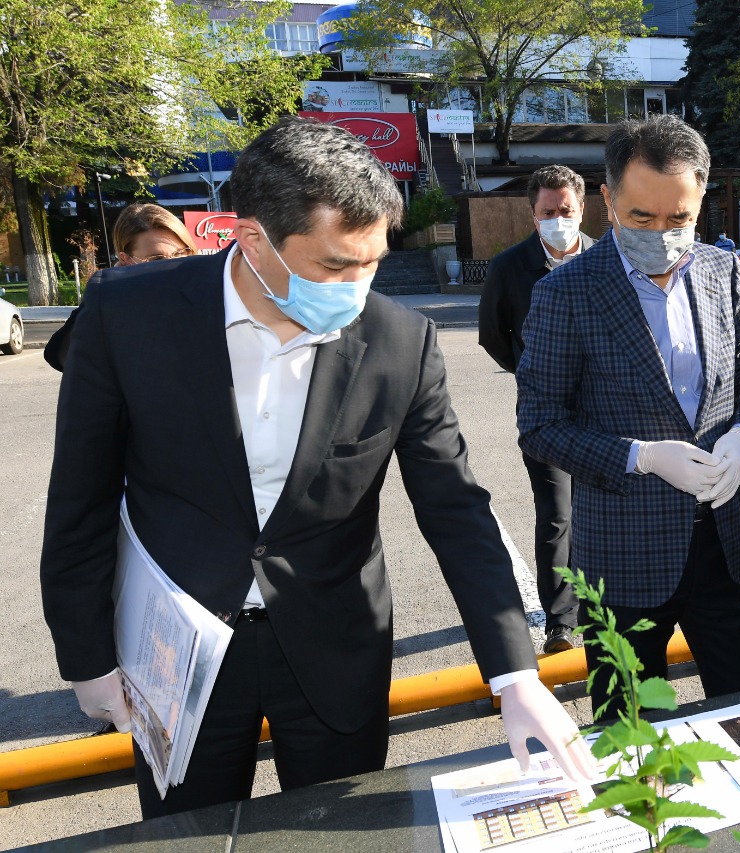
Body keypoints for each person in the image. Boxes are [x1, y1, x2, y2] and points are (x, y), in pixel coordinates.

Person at [40, 116, 593, 819]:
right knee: (189, 836)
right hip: (176, 657)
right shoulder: (128, 314)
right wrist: (84, 654)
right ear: (253, 240)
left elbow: (456, 508)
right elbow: (80, 498)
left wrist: (516, 675)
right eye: (335, 267)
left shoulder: (400, 341)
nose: (357, 289)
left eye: (373, 263)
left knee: (341, 834)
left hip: (336, 648)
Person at [516, 115, 740, 718]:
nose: (662, 234)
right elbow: (540, 424)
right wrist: (645, 457)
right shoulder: (566, 293)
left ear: (701, 200)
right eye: (641, 218)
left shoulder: (721, 271)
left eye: (679, 219)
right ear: (607, 199)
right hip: (624, 560)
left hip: (723, 546)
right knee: (630, 740)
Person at [478, 165, 595, 654]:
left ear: (583, 209)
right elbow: (492, 335)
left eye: (566, 211)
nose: (558, 219)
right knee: (557, 514)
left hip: (606, 410)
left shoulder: (610, 259)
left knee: (607, 507)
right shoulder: (509, 268)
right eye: (548, 212)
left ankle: (604, 605)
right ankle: (562, 622)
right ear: (533, 214)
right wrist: (532, 373)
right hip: (546, 416)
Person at [44, 203, 198, 372]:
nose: (173, 265)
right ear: (126, 260)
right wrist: (111, 287)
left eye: (181, 253)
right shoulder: (119, 304)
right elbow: (62, 355)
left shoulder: (207, 292)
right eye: (157, 259)